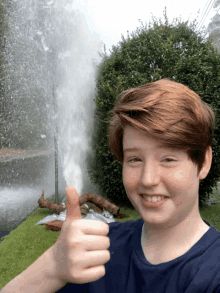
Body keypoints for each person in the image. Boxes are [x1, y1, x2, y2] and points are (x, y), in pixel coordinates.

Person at [2, 78, 220, 293]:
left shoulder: (213, 274)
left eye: (168, 159)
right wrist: (51, 268)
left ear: (204, 162)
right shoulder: (98, 247)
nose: (148, 179)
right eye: (135, 159)